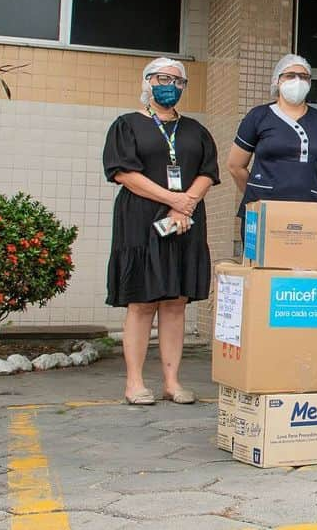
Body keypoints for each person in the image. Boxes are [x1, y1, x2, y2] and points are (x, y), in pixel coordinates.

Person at [103, 58, 219, 405]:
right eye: (161, 78)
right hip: (140, 218)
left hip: (184, 220)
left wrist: (185, 204)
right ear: (147, 82)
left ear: (183, 87)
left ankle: (172, 381)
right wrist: (173, 199)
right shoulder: (127, 125)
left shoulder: (196, 130)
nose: (169, 84)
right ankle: (134, 383)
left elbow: (208, 171)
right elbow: (123, 172)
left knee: (175, 302)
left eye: (176, 80)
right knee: (142, 301)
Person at [227, 55, 317, 238]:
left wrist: (305, 188)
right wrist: (258, 190)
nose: (297, 80)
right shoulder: (258, 116)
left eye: (304, 77)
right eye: (290, 75)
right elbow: (235, 165)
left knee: (302, 264)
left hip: (307, 212)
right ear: (277, 81)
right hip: (262, 212)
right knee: (259, 265)